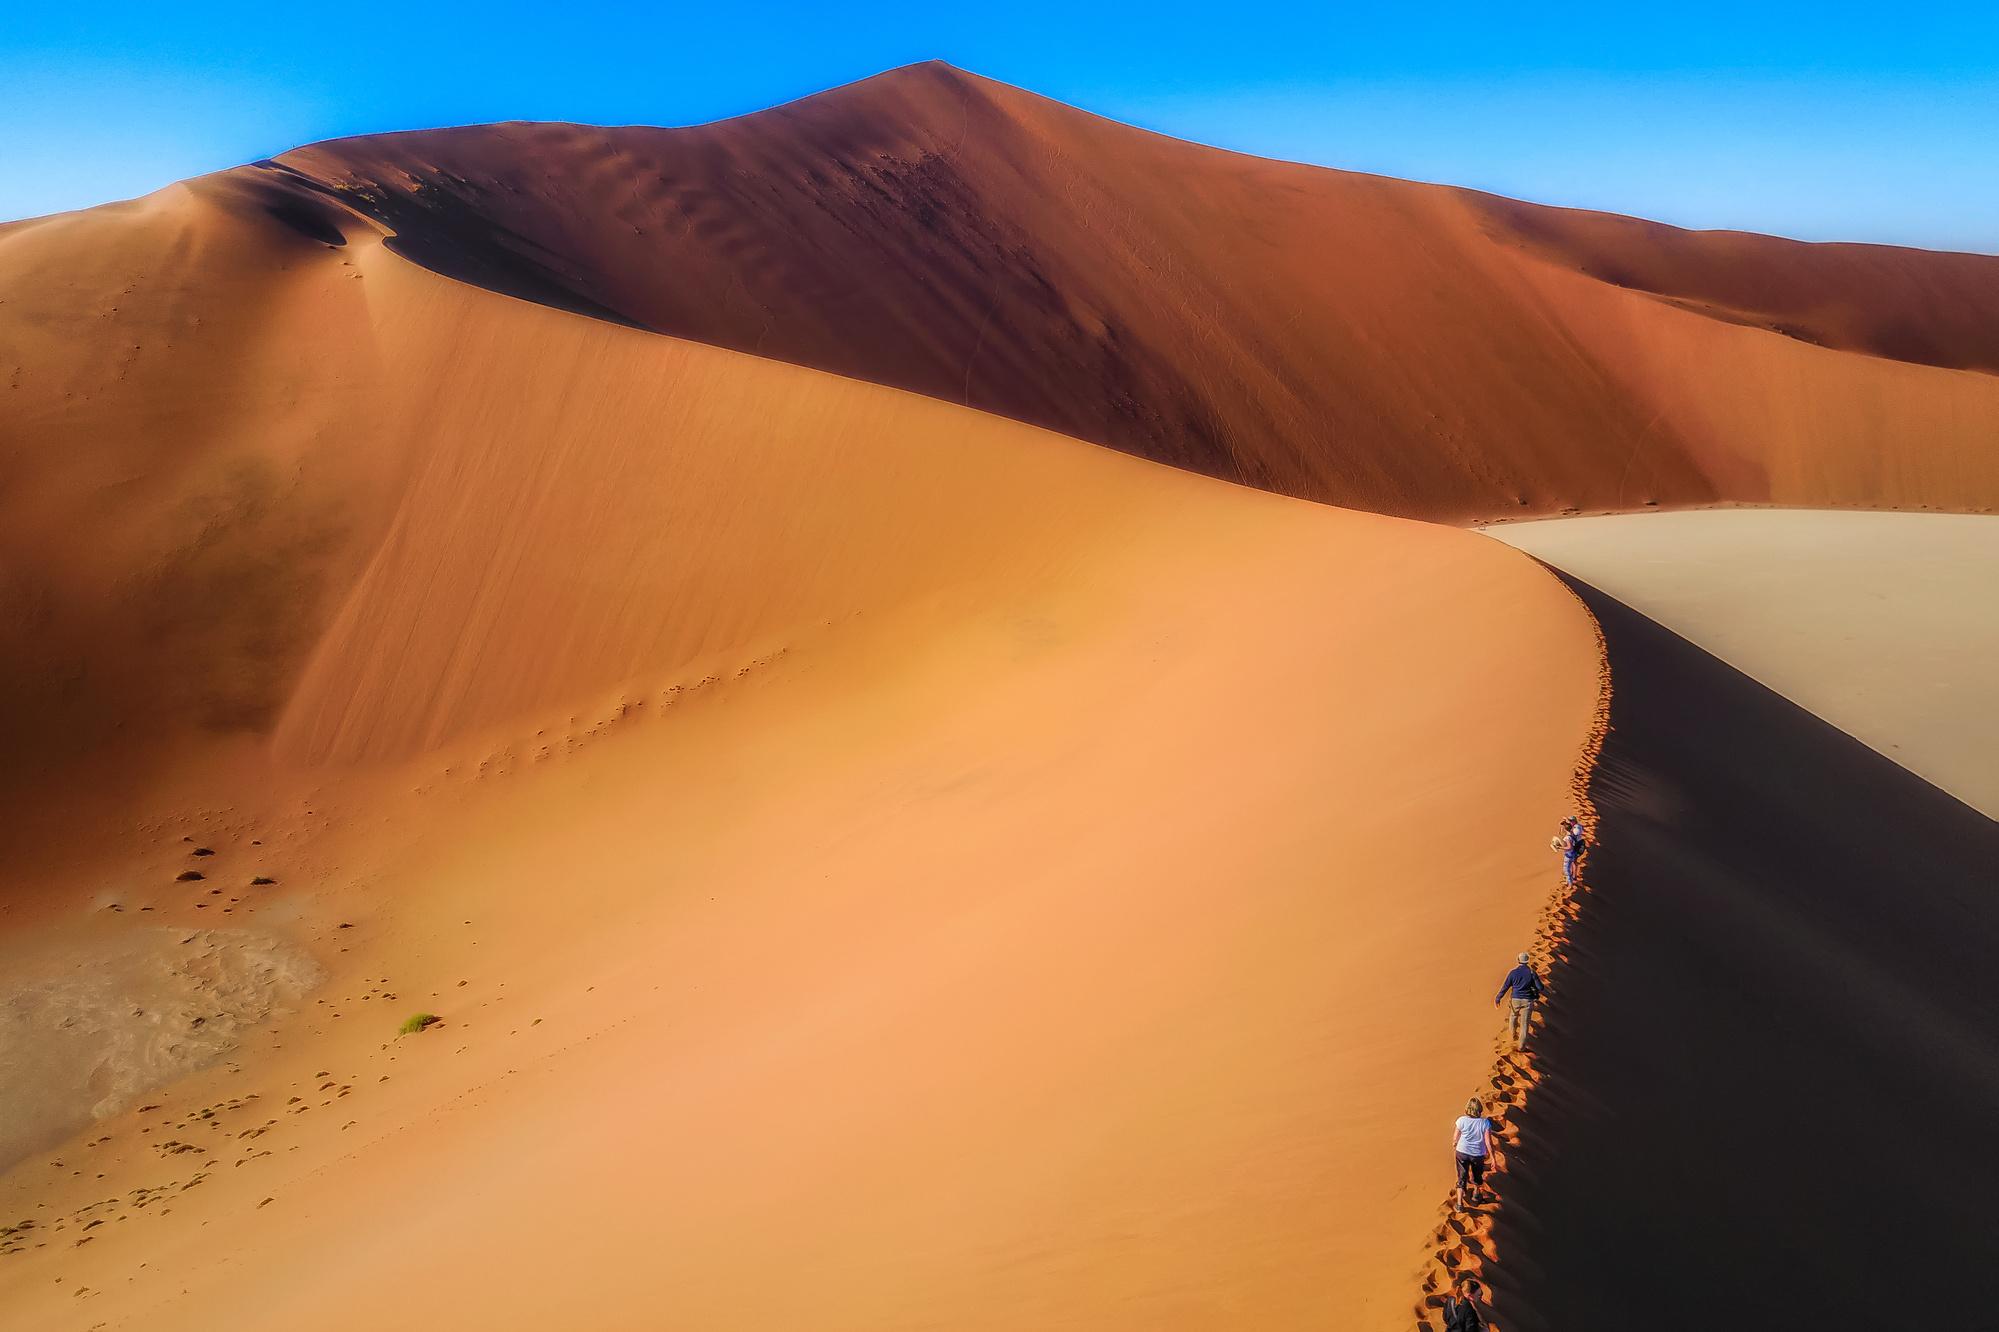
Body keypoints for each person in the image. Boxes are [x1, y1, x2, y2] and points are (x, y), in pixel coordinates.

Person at [1453, 1096, 1497, 1209]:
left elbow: (1455, 1138)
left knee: (1461, 1176)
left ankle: (1459, 1204)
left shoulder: (1461, 1120)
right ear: (1479, 1109)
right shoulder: (1484, 1123)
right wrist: (1493, 1157)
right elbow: (1488, 1142)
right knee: (1477, 1175)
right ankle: (1476, 1195)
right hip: (1477, 1154)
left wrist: (1455, 1145)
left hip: (1462, 1151)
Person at [1493, 951, 1541, 1049]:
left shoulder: (1513, 973)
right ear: (1528, 961)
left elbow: (1505, 987)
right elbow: (1540, 987)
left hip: (1515, 999)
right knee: (1524, 1024)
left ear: (1518, 960)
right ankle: (1521, 1047)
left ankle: (1512, 1035)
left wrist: (1498, 998)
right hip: (1527, 1001)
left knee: (1513, 1017)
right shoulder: (1532, 973)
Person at [1553, 815, 1588, 886]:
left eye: (1570, 821)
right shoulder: (1572, 827)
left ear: (1574, 821)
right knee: (1572, 862)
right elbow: (1562, 833)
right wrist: (1563, 824)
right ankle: (1572, 878)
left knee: (1573, 862)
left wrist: (1560, 847)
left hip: (1577, 846)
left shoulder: (1577, 828)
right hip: (1574, 846)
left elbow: (1573, 836)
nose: (1569, 822)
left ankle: (1573, 878)